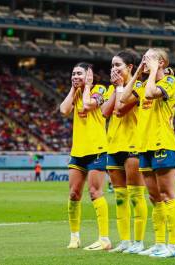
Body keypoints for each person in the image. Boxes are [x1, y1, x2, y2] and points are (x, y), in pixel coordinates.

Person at [121, 48, 175, 258]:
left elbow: (149, 94)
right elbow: (124, 98)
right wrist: (138, 73)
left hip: (162, 143)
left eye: (149, 58)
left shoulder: (169, 82)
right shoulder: (144, 82)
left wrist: (154, 69)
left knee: (167, 195)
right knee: (154, 197)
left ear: (162, 62)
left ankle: (173, 245)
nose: (144, 60)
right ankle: (159, 243)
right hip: (144, 146)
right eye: (143, 58)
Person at [60, 62, 111, 251]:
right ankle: (74, 237)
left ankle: (104, 238)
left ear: (89, 74)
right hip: (78, 151)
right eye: (73, 73)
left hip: (97, 148)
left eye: (79, 73)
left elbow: (89, 105)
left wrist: (87, 86)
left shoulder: (100, 89)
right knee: (74, 194)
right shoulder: (75, 93)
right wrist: (74, 89)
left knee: (95, 192)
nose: (75, 76)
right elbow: (64, 110)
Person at [101, 51, 148, 254]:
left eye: (118, 65)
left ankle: (139, 241)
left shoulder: (138, 87)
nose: (114, 69)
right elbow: (104, 112)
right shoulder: (116, 88)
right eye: (112, 66)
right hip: (113, 144)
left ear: (130, 67)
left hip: (133, 145)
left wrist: (119, 87)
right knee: (120, 197)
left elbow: (120, 109)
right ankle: (125, 240)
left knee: (136, 196)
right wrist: (115, 88)